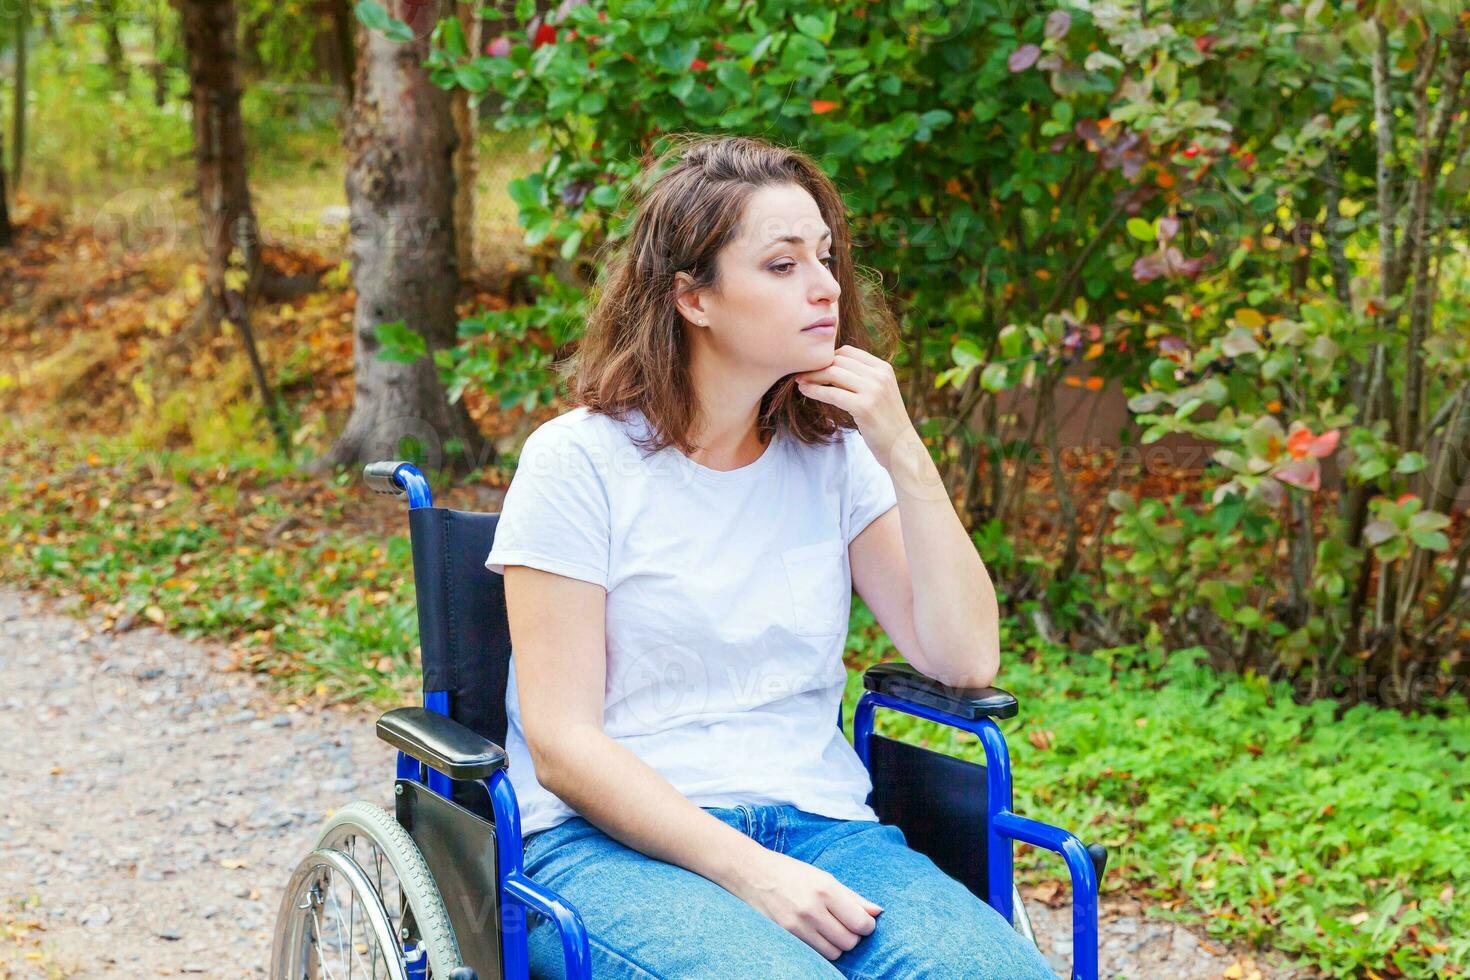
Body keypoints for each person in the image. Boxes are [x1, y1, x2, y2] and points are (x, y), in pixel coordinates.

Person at [484, 133, 1055, 979]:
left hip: (824, 828)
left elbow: (965, 659)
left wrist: (902, 449)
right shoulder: (580, 462)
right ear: (694, 300)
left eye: (826, 257)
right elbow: (564, 745)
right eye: (782, 266)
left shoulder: (833, 459)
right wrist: (751, 873)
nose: (827, 288)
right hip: (612, 847)